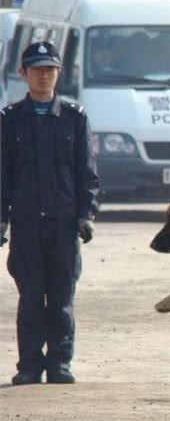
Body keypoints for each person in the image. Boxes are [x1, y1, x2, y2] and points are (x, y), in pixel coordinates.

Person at [0, 41, 99, 385]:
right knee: (30, 298)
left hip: (63, 222)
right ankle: (29, 364)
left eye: (50, 70)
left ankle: (59, 363)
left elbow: (87, 173)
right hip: (26, 224)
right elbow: (3, 174)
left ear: (58, 73)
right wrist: (1, 219)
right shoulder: (10, 120)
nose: (44, 76)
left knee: (60, 299)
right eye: (37, 69)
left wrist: (86, 214)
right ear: (23, 73)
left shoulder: (74, 117)